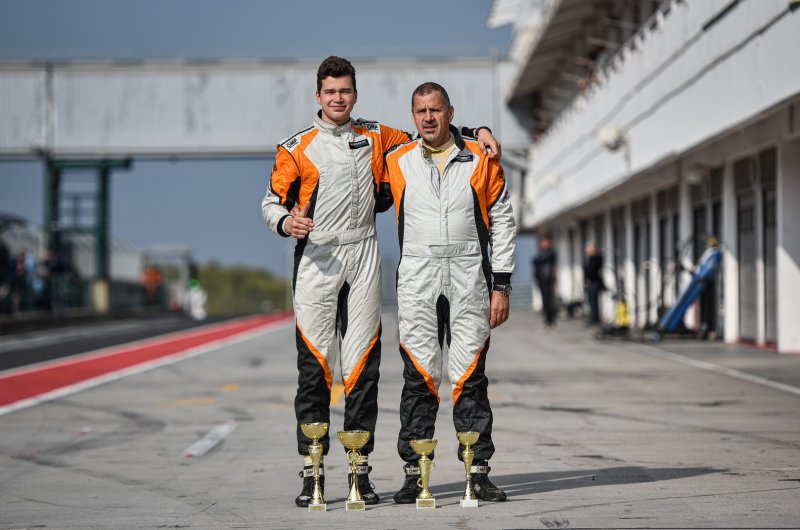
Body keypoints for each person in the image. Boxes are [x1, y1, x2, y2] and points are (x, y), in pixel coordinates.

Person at [261, 56, 500, 507]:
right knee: (314, 370)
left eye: (345, 91)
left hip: (364, 253)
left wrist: (478, 130)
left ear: (355, 94)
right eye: (330, 92)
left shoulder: (378, 137)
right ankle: (312, 472)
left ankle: (360, 472)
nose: (338, 98)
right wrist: (285, 223)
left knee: (362, 370)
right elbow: (271, 201)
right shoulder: (295, 147)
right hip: (317, 259)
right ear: (318, 96)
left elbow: (431, 133)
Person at [382, 82, 516, 503]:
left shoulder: (481, 156)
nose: (428, 118)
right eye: (421, 111)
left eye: (435, 110)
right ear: (412, 116)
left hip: (468, 272)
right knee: (418, 376)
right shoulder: (395, 159)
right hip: (417, 275)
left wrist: (501, 285)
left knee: (470, 375)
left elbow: (503, 220)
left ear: (450, 112)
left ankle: (477, 472)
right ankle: (415, 473)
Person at [533, 235, 557, 327]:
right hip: (541, 278)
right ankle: (547, 318)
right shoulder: (541, 252)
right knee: (544, 298)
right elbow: (535, 261)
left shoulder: (550, 252)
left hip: (548, 278)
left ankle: (550, 318)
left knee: (549, 298)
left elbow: (540, 260)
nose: (543, 244)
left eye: (545, 242)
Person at [583, 242, 604, 325]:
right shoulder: (591, 258)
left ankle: (594, 319)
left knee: (593, 301)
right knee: (591, 301)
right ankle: (593, 317)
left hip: (594, 282)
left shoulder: (596, 258)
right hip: (591, 282)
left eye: (589, 249)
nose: (587, 251)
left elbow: (591, 270)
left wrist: (588, 277)